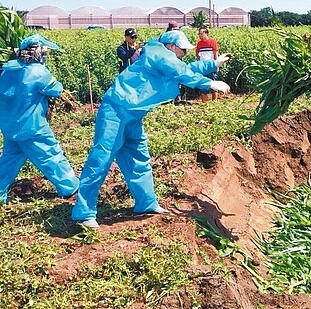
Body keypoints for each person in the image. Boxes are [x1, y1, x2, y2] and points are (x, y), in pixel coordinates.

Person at [71, 30, 232, 229]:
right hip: (116, 111)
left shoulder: (164, 60)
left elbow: (184, 69)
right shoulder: (159, 54)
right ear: (171, 46)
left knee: (139, 159)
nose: (184, 53)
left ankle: (146, 203)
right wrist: (208, 83)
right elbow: (181, 70)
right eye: (182, 49)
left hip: (133, 114)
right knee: (101, 159)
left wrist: (213, 64)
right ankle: (83, 212)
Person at [0, 34, 79, 203]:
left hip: (9, 126)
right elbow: (56, 90)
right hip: (32, 126)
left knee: (8, 161)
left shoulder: (7, 70)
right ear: (38, 52)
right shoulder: (37, 71)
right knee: (50, 154)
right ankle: (69, 187)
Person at [195, 26, 220, 102]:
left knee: (213, 86)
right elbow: (197, 55)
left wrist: (217, 65)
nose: (200, 35)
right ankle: (204, 104)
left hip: (211, 67)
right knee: (203, 86)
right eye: (199, 34)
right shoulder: (199, 43)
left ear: (206, 33)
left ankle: (214, 103)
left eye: (201, 33)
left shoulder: (213, 42)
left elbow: (216, 55)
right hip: (202, 68)